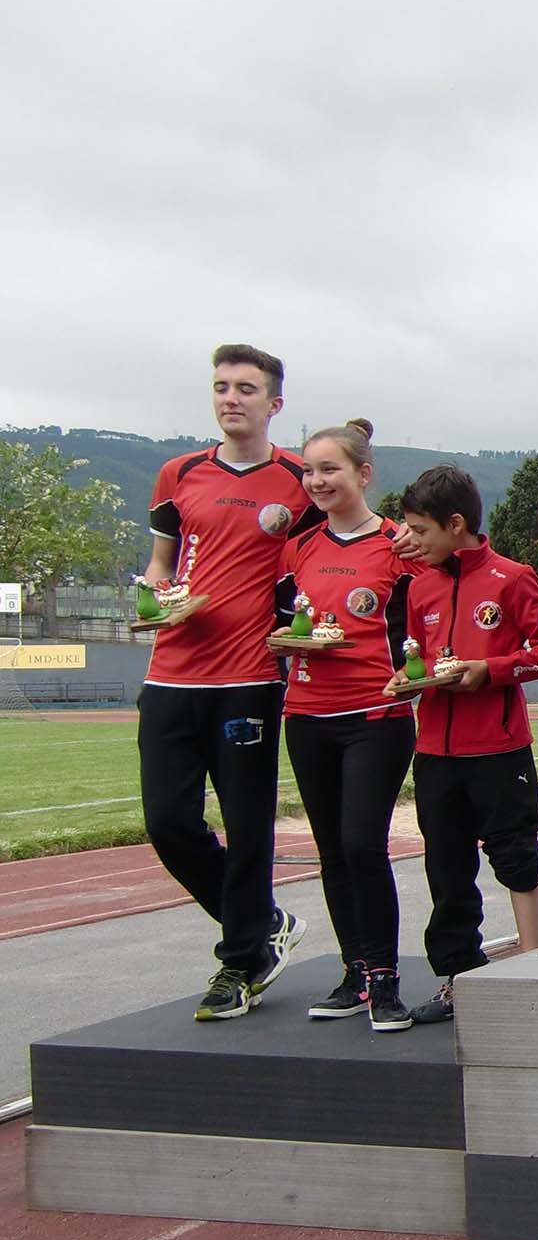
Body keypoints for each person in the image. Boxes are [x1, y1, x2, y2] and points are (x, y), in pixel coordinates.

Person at [141, 343, 321, 1022]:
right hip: (170, 674)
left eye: (246, 388)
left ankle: (240, 962)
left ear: (274, 403)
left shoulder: (300, 479)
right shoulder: (179, 473)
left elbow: (330, 552)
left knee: (248, 828)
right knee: (168, 823)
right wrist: (157, 597)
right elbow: (161, 565)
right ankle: (262, 922)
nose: (230, 398)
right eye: (221, 386)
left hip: (249, 676)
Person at [397, 465, 538, 1023]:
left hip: (498, 748)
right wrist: (409, 679)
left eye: (420, 531)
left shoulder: (512, 578)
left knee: (515, 856)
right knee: (446, 869)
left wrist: (489, 670)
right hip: (434, 752)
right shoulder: (418, 586)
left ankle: (533, 965)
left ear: (455, 524)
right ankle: (458, 979)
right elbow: (418, 657)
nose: (412, 541)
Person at [274, 420, 419, 1031]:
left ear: (363, 474)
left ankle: (386, 980)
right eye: (309, 470)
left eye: (330, 469)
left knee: (363, 843)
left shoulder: (397, 544)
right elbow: (283, 623)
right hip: (307, 715)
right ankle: (354, 973)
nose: (317, 481)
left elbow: (425, 622)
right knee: (332, 850)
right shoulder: (299, 548)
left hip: (375, 714)